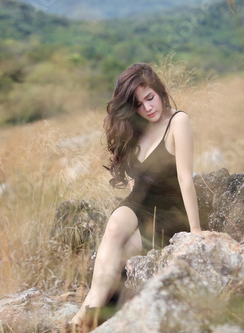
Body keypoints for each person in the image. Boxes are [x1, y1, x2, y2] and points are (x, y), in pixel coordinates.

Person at [69, 63, 202, 329]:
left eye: (150, 98)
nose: (148, 108)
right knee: (116, 225)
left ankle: (86, 319)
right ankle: (88, 312)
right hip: (137, 205)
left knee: (121, 257)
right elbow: (138, 184)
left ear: (160, 91)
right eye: (139, 105)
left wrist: (196, 230)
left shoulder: (178, 122)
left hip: (165, 215)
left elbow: (186, 178)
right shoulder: (138, 128)